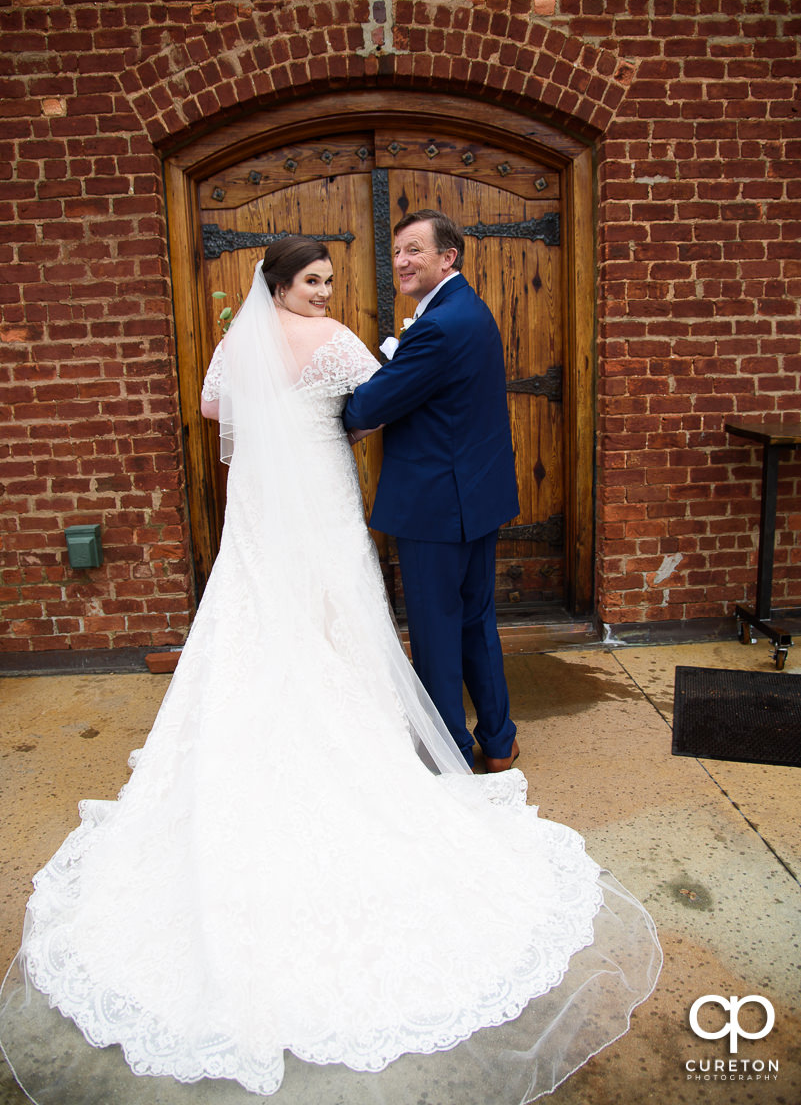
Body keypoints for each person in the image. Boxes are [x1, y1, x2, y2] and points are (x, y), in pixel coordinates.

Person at [0, 237, 661, 1105]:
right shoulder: (342, 339)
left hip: (267, 504)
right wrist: (332, 399)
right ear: (281, 280)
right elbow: (370, 412)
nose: (324, 290)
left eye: (327, 282)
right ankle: (365, 730)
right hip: (320, 489)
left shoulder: (240, 339)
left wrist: (274, 408)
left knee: (262, 608)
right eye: (312, 280)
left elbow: (211, 409)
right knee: (338, 608)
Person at [344, 209, 519, 771]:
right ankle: (498, 741)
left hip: (436, 507)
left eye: (414, 250)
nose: (402, 262)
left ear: (449, 257)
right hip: (474, 497)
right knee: (475, 624)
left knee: (437, 634)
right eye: (397, 251)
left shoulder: (439, 326)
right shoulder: (469, 310)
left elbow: (367, 407)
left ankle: (451, 754)